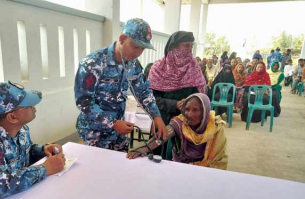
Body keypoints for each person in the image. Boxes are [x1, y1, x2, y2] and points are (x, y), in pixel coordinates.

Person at [74, 18, 167, 152]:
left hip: (120, 131)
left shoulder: (132, 64)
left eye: (142, 49)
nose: (138, 53)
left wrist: (156, 116)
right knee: (96, 169)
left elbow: (143, 91)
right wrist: (113, 123)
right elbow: (84, 102)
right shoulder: (93, 63)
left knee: (120, 168)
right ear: (122, 39)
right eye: (135, 46)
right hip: (95, 131)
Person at [127, 93, 228, 170]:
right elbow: (164, 134)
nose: (189, 114)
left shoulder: (216, 127)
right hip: (182, 167)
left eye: (195, 110)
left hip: (208, 169)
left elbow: (219, 158)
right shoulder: (180, 122)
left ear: (205, 111)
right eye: (187, 109)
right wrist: (144, 148)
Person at [148, 31, 205, 158]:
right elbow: (151, 99)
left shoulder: (194, 67)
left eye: (191, 46)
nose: (189, 50)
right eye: (186, 46)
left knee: (183, 157)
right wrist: (174, 104)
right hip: (162, 119)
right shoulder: (158, 68)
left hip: (187, 120)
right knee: (159, 156)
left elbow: (200, 96)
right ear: (173, 47)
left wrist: (189, 104)